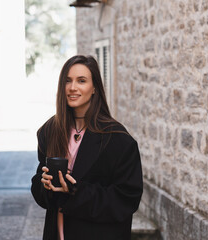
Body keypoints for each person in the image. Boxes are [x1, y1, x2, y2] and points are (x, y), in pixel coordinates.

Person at [31, 55, 143, 240]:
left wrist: (75, 191)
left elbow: (127, 199)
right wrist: (45, 184)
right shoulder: (50, 130)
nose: (73, 87)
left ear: (94, 88)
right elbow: (38, 182)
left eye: (81, 81)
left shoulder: (117, 138)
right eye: (68, 81)